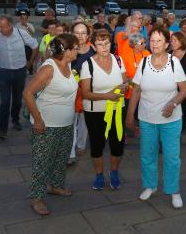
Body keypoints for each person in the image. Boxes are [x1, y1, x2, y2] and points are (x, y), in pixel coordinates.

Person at [125, 28, 186, 208]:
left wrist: (173, 103)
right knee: (147, 155)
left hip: (171, 120)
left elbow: (185, 89)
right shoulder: (144, 62)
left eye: (159, 40)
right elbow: (136, 89)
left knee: (172, 157)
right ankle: (150, 186)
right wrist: (130, 114)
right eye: (152, 40)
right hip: (146, 119)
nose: (154, 44)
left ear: (167, 44)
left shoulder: (174, 62)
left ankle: (173, 190)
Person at [23, 34, 79, 216]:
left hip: (66, 123)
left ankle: (55, 185)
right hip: (47, 125)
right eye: (76, 48)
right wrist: (38, 120)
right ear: (67, 51)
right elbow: (28, 93)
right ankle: (37, 198)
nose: (78, 50)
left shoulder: (68, 65)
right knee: (42, 162)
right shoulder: (49, 68)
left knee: (61, 158)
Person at [80, 29, 128, 191]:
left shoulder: (118, 60)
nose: (104, 47)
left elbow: (125, 81)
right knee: (97, 145)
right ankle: (99, 175)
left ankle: (114, 172)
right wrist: (108, 96)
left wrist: (124, 86)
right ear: (93, 46)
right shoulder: (87, 65)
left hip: (117, 109)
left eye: (106, 43)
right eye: (100, 44)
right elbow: (85, 93)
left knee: (117, 145)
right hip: (95, 112)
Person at [0, 16, 39, 140]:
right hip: (3, 72)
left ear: (10, 25)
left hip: (20, 72)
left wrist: (30, 62)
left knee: (17, 100)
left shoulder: (21, 33)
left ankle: (15, 119)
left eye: (2, 27)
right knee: (4, 102)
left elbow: (35, 45)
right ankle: (2, 130)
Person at [70, 22, 95, 161]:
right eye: (77, 33)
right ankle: (70, 149)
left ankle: (81, 144)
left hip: (87, 92)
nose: (80, 36)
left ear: (88, 35)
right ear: (72, 34)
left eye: (83, 33)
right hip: (70, 93)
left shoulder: (93, 50)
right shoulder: (67, 50)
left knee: (85, 121)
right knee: (71, 120)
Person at [171, 31, 186, 132]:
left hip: (184, 89)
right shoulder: (168, 54)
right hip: (170, 89)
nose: (172, 42)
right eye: (171, 40)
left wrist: (179, 77)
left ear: (181, 42)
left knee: (181, 112)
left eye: (175, 40)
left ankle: (179, 131)